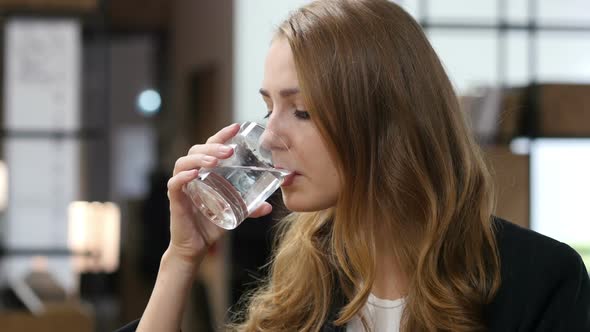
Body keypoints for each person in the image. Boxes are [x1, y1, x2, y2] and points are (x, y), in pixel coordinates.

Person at [117, 0, 590, 331]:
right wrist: (180, 259)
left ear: (383, 121)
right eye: (268, 107)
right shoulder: (297, 284)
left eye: (301, 111)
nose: (271, 136)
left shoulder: (542, 279)